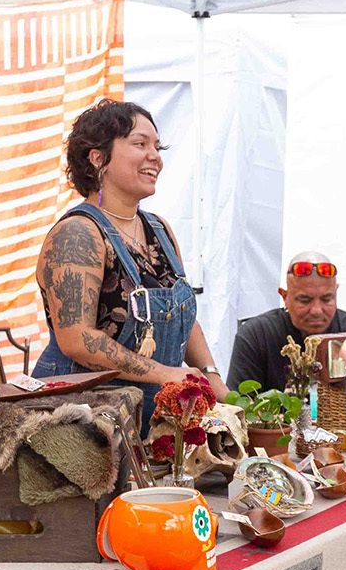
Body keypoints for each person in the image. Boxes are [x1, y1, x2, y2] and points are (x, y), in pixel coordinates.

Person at [33, 100, 228, 427]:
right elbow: (76, 338)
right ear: (99, 159)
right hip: (82, 423)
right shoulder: (78, 234)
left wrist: (213, 379)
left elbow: (183, 318)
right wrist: (166, 374)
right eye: (140, 144)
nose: (156, 156)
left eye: (157, 146)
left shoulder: (159, 230)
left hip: (148, 420)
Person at [226, 251, 346, 392]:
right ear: (284, 296)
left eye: (326, 299)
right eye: (305, 300)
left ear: (336, 292)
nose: (317, 310)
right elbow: (239, 406)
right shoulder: (256, 335)